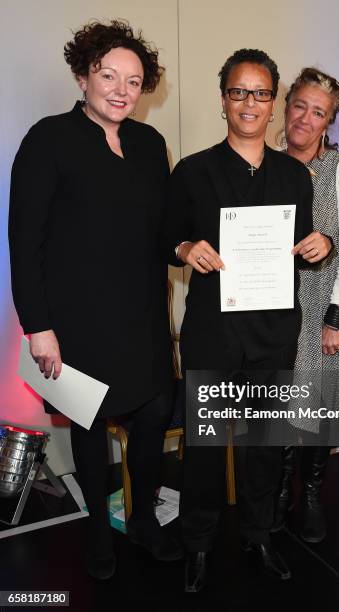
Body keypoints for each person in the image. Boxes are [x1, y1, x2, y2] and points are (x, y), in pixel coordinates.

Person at [8, 20, 181, 580]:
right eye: (109, 75)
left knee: (155, 411)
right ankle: (96, 533)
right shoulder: (48, 138)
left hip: (144, 314)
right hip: (77, 318)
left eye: (133, 80)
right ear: (83, 75)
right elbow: (23, 238)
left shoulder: (152, 145)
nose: (121, 90)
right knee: (90, 425)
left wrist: (187, 247)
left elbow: (164, 231)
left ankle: (143, 519)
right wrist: (38, 325)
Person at [166, 49, 332, 593]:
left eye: (261, 93)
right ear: (224, 100)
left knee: (263, 443)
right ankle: (198, 544)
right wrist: (187, 247)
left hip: (272, 331)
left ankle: (259, 535)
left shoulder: (294, 176)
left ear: (273, 104)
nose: (250, 103)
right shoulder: (193, 171)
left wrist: (321, 243)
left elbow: (307, 243)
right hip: (213, 330)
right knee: (206, 446)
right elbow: (169, 239)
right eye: (239, 92)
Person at [273, 67, 339, 543]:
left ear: (329, 122)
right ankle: (278, 495)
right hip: (274, 310)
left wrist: (336, 320)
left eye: (319, 112)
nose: (306, 118)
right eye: (300, 106)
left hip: (324, 309)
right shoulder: (263, 163)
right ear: (286, 107)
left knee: (319, 410)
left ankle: (308, 494)